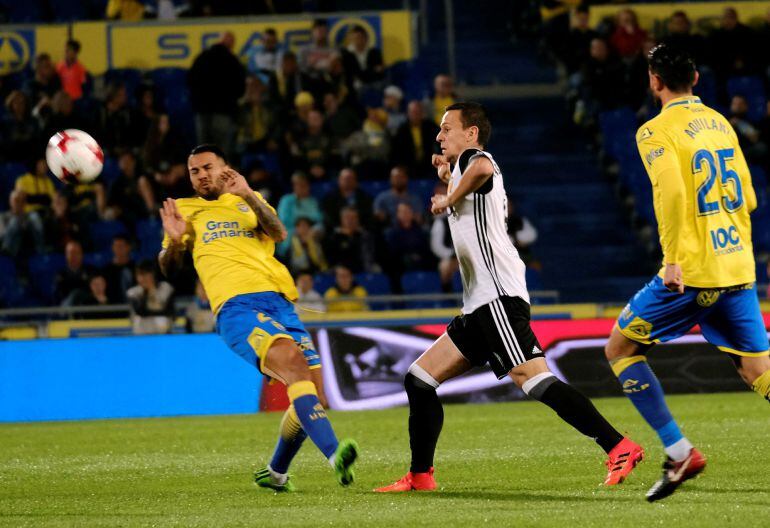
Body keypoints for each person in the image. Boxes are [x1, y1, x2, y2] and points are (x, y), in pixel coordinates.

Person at [375, 101, 642, 493]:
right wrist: (450, 179)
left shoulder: (475, 158)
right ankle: (420, 476)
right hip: (479, 304)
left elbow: (482, 168)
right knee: (419, 379)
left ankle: (619, 446)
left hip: (497, 297)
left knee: (533, 381)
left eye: (447, 128)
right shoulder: (461, 167)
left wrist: (449, 195)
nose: (439, 135)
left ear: (471, 133)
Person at [604, 44, 770, 502]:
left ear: (654, 80)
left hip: (693, 270)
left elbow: (673, 194)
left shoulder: (655, 132)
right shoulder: (721, 123)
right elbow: (751, 198)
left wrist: (674, 257)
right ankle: (679, 454)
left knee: (620, 348)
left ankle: (679, 452)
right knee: (758, 369)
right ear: (695, 79)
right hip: (736, 263)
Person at [157, 144, 358, 491]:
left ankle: (275, 473)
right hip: (237, 307)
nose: (202, 175)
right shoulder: (185, 210)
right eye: (195, 171)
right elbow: (169, 269)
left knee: (314, 397)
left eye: (208, 167)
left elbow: (279, 233)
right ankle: (335, 454)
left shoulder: (247, 198)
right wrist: (174, 244)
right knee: (293, 362)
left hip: (280, 303)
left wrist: (248, 195)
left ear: (225, 168)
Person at [187, 32, 247, 158]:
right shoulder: (233, 61)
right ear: (231, 44)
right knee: (220, 152)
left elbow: (190, 80)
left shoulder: (202, 57)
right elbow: (240, 87)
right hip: (223, 112)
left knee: (203, 151)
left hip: (202, 110)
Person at [391, 101, 440, 178]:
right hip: (409, 168)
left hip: (429, 166)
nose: (416, 115)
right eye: (413, 112)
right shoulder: (402, 130)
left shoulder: (431, 127)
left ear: (422, 113)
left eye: (418, 112)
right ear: (408, 113)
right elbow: (397, 152)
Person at [127, 260, 175, 334]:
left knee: (161, 319)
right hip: (141, 333)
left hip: (163, 333)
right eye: (139, 274)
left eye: (145, 274)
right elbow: (141, 312)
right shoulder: (133, 292)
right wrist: (147, 292)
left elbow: (170, 311)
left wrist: (153, 290)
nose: (142, 278)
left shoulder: (166, 288)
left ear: (153, 274)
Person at [324, 206, 377, 273]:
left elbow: (369, 257)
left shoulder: (366, 236)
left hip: (362, 271)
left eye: (353, 218)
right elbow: (331, 261)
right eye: (347, 217)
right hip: (341, 273)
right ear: (341, 219)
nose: (350, 221)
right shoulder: (333, 238)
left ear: (358, 219)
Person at [0, 190, 44, 258]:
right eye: (16, 200)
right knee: (15, 220)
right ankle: (7, 253)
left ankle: (41, 250)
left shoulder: (30, 218)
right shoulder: (3, 217)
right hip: (9, 246)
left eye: (22, 200)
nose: (19, 203)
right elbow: (2, 235)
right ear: (10, 201)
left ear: (25, 203)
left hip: (27, 245)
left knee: (34, 216)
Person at [341, 24, 384, 90]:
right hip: (353, 87)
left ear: (366, 38)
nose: (357, 41)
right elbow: (350, 74)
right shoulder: (347, 55)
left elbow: (380, 72)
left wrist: (361, 75)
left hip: (374, 84)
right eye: (354, 38)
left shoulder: (375, 53)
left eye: (360, 37)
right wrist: (372, 71)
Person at [55, 240, 92, 305]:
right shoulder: (60, 274)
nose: (73, 256)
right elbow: (58, 295)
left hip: (86, 306)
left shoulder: (91, 271)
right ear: (66, 255)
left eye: (76, 253)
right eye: (71, 253)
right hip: (67, 308)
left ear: (82, 254)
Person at [103, 234, 135, 303]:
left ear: (128, 247)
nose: (118, 249)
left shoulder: (135, 268)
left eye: (121, 246)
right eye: (116, 246)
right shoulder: (106, 270)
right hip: (113, 308)